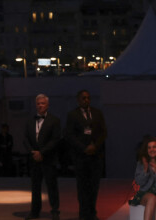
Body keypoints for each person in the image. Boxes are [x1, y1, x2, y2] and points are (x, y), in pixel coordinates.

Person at [66, 90, 107, 220]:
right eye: (83, 98)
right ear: (78, 100)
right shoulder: (72, 115)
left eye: (88, 98)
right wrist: (84, 148)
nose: (86, 100)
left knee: (94, 186)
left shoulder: (97, 113)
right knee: (83, 187)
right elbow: (70, 135)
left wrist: (95, 146)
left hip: (95, 156)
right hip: (81, 157)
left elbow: (103, 132)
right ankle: (83, 214)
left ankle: (92, 213)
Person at [24, 94, 61, 220]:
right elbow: (25, 139)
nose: (40, 105)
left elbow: (55, 140)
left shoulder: (54, 120)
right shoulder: (30, 121)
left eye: (42, 103)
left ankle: (55, 211)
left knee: (52, 187)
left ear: (47, 105)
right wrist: (33, 152)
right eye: (38, 103)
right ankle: (34, 212)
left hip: (48, 159)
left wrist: (42, 152)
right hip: (34, 159)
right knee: (35, 187)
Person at [129, 136, 156, 220]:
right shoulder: (141, 162)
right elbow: (139, 182)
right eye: (149, 148)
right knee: (152, 198)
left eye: (154, 147)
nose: (152, 150)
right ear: (146, 150)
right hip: (146, 192)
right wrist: (145, 170)